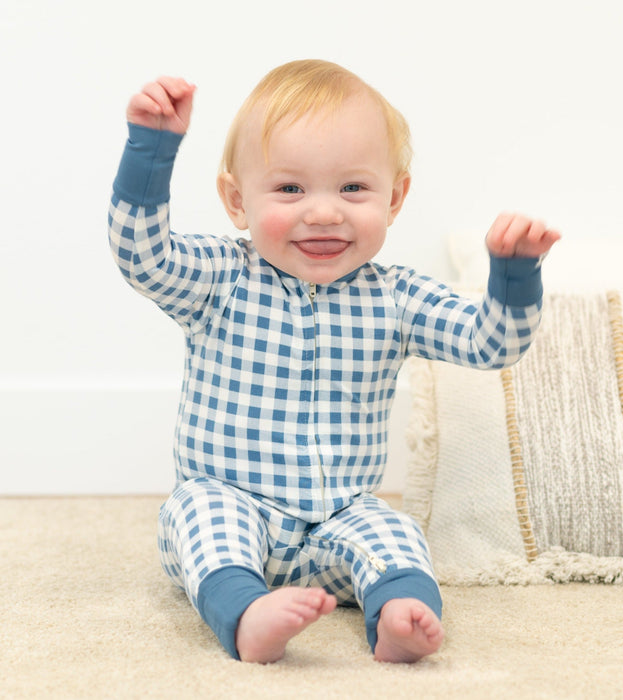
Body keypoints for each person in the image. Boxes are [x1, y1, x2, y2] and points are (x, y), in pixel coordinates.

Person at [108, 59, 560, 664]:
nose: (323, 212)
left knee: (394, 532)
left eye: (352, 188)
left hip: (339, 518)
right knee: (197, 515)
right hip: (233, 501)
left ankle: (398, 614)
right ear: (237, 201)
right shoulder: (220, 278)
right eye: (290, 189)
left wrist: (514, 275)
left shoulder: (397, 296)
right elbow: (143, 254)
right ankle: (245, 614)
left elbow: (490, 343)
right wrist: (152, 147)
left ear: (394, 197)